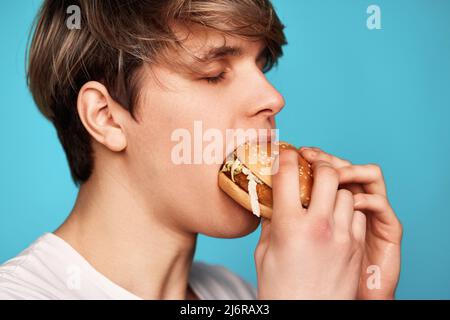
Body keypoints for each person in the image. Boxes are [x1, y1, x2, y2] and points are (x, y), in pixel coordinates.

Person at [0, 0, 402, 300]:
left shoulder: (235, 294)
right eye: (214, 74)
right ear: (106, 117)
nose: (273, 98)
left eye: (261, 67)